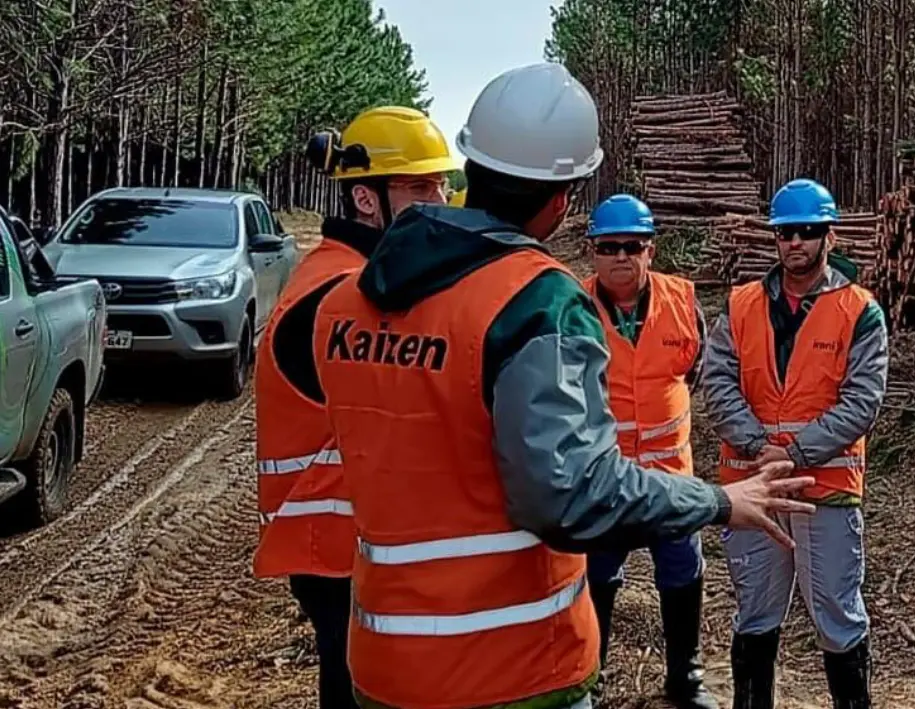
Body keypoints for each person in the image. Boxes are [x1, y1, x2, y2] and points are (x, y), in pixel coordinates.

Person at [311, 62, 818, 709]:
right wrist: (717, 501)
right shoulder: (533, 299)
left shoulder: (344, 305)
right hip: (511, 664)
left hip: (382, 660)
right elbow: (567, 496)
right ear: (562, 198)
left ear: (471, 167)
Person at [252, 105, 456, 709]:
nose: (441, 197)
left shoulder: (349, 271)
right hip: (340, 542)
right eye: (422, 185)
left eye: (442, 182)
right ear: (367, 200)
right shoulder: (345, 294)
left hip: (346, 540)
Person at [705, 178, 889, 709]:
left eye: (808, 232)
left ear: (829, 237)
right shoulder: (740, 305)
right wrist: (756, 443)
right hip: (752, 486)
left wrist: (796, 453)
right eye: (787, 233)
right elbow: (717, 381)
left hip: (824, 486)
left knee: (836, 611)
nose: (796, 243)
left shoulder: (860, 311)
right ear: (775, 237)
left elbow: (862, 401)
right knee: (756, 611)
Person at [579, 193, 717, 709]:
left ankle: (685, 674)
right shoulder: (574, 308)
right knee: (596, 574)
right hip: (604, 478)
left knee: (682, 570)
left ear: (650, 250)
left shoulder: (683, 302)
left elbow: (695, 373)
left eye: (631, 246)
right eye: (609, 246)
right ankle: (590, 675)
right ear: (593, 251)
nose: (621, 256)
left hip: (670, 477)